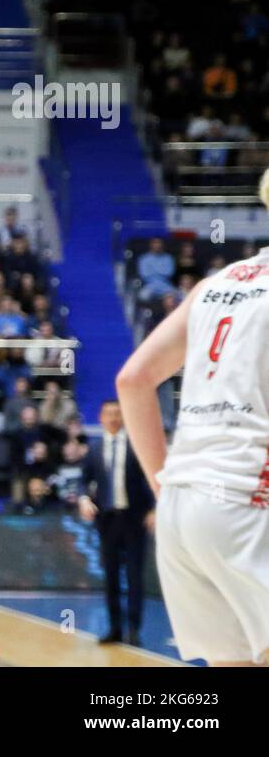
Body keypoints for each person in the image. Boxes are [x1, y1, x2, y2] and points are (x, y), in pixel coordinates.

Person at [116, 171, 269, 666]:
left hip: (184, 508)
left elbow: (133, 381)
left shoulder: (214, 285)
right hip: (248, 498)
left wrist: (166, 485)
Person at [78, 400, 154, 647]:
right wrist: (83, 499)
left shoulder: (136, 445)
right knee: (110, 576)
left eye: (117, 413)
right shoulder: (95, 448)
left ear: (124, 417)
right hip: (108, 520)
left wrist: (154, 508)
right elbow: (83, 479)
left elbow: (152, 477)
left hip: (134, 518)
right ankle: (114, 629)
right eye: (108, 413)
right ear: (101, 417)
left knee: (134, 576)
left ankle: (134, 629)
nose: (112, 418)